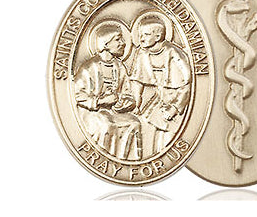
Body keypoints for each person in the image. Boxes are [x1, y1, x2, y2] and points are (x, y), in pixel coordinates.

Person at [74, 22, 142, 159]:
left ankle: (125, 161)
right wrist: (100, 101)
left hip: (113, 112)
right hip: (92, 112)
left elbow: (127, 92)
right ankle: (103, 158)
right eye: (118, 39)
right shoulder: (89, 67)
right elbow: (78, 95)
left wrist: (126, 102)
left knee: (134, 123)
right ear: (105, 44)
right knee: (106, 124)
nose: (123, 43)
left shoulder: (119, 66)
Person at [130, 15, 191, 154]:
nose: (141, 38)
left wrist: (174, 109)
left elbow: (185, 86)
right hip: (159, 101)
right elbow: (137, 81)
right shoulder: (142, 53)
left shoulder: (173, 54)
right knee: (143, 125)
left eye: (146, 34)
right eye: (140, 35)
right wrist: (136, 103)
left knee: (166, 138)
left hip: (176, 103)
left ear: (157, 37)